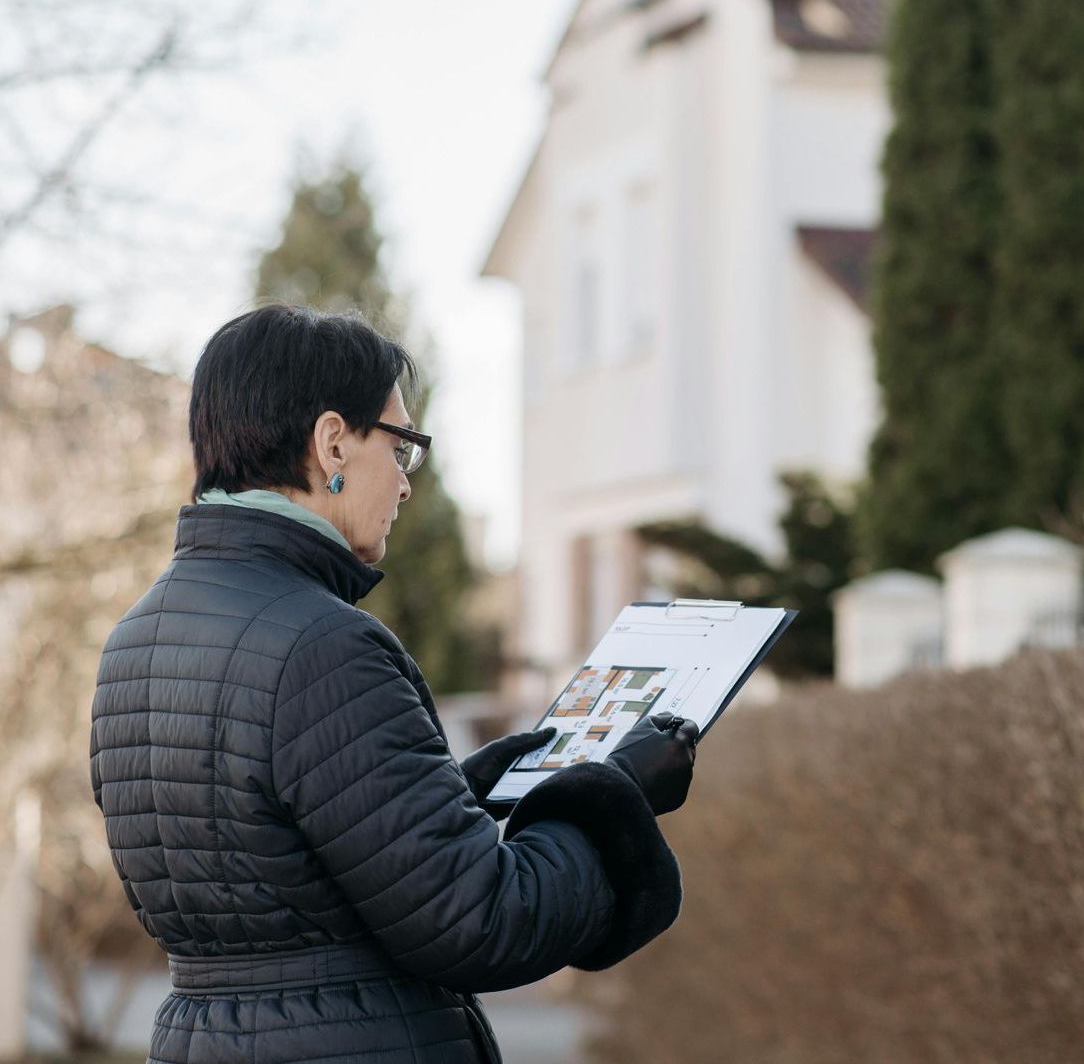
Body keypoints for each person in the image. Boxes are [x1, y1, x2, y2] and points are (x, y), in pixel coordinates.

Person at [90, 304, 699, 1064]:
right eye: (403, 446)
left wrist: (454, 799)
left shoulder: (136, 639)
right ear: (333, 441)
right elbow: (482, 922)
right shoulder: (323, 645)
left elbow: (284, 869)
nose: (407, 485)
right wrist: (614, 795)